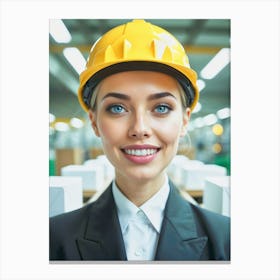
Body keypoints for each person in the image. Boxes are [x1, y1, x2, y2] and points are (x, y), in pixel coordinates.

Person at [49, 19, 230, 261]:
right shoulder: (52, 239)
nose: (140, 129)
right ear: (94, 122)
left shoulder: (228, 240)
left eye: (162, 108)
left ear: (184, 121)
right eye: (117, 108)